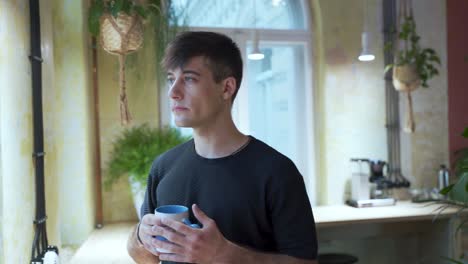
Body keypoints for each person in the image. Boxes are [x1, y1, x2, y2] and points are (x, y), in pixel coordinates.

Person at [127, 31, 318, 264]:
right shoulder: (163, 167)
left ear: (226, 88)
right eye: (170, 79)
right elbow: (145, 257)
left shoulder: (277, 172)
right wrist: (139, 235)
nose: (173, 92)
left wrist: (224, 255)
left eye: (189, 79)